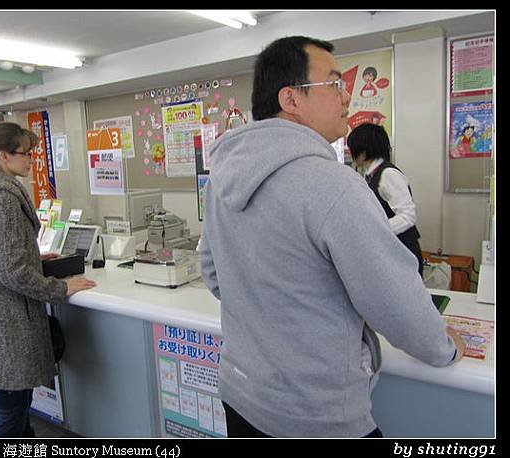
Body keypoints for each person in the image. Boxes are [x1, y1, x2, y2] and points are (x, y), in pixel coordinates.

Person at [199, 36, 465, 438]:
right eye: (336, 84)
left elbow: (215, 274)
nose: (347, 97)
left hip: (241, 395)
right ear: (291, 99)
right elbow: (395, 302)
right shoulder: (335, 186)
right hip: (314, 415)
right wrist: (442, 346)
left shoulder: (221, 180)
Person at [0, 122, 96, 438]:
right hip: (4, 321)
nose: (31, 159)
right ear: (4, 157)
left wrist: (34, 258)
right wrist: (60, 288)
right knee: (11, 412)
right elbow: (11, 273)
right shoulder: (1, 199)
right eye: (25, 153)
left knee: (17, 408)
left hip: (3, 316)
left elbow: (5, 258)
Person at [347, 123, 424, 277]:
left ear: (362, 151)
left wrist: (375, 230)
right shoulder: (371, 175)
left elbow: (408, 215)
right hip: (389, 249)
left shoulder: (388, 174)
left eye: (353, 149)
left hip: (403, 251)